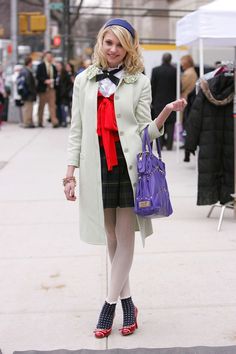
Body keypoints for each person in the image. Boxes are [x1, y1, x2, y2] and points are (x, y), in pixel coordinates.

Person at [64, 18, 186, 339]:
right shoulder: (83, 81)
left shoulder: (138, 82)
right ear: (100, 44)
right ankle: (129, 304)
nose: (113, 49)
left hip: (128, 167)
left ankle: (108, 306)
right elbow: (76, 130)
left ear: (129, 48)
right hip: (97, 166)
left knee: (125, 238)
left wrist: (166, 113)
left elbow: (146, 130)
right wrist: (69, 172)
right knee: (112, 240)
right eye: (108, 42)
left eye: (120, 44)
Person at [151, 53, 177, 150]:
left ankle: (160, 145)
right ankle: (169, 145)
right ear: (170, 60)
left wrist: (152, 101)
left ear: (162, 59)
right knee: (170, 124)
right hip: (171, 101)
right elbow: (178, 86)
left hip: (158, 101)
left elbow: (152, 86)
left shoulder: (156, 70)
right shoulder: (175, 71)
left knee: (159, 122)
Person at [180, 54, 198, 161]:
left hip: (186, 99)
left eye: (182, 61)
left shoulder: (188, 73)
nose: (181, 64)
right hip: (188, 99)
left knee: (185, 123)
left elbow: (182, 86)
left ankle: (186, 145)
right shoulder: (192, 71)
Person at [36, 51, 59, 128]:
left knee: (52, 106)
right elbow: (38, 76)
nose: (49, 58)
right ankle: (40, 122)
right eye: (48, 56)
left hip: (52, 89)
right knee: (41, 106)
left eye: (51, 56)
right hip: (43, 89)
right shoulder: (40, 66)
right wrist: (44, 81)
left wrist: (52, 80)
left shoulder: (53, 66)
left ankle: (54, 122)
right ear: (45, 57)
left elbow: (56, 76)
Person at [20, 56, 37, 128]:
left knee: (28, 108)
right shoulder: (27, 71)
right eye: (31, 62)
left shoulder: (25, 70)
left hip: (26, 93)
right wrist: (32, 92)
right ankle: (27, 122)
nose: (32, 64)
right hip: (28, 93)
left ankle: (29, 122)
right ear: (29, 63)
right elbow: (29, 83)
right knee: (28, 108)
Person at [55, 61, 73, 127]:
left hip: (64, 94)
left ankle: (64, 121)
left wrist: (65, 92)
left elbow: (68, 84)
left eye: (59, 66)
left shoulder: (65, 74)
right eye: (57, 66)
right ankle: (61, 120)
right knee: (60, 108)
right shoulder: (56, 74)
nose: (57, 67)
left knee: (64, 108)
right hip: (58, 94)